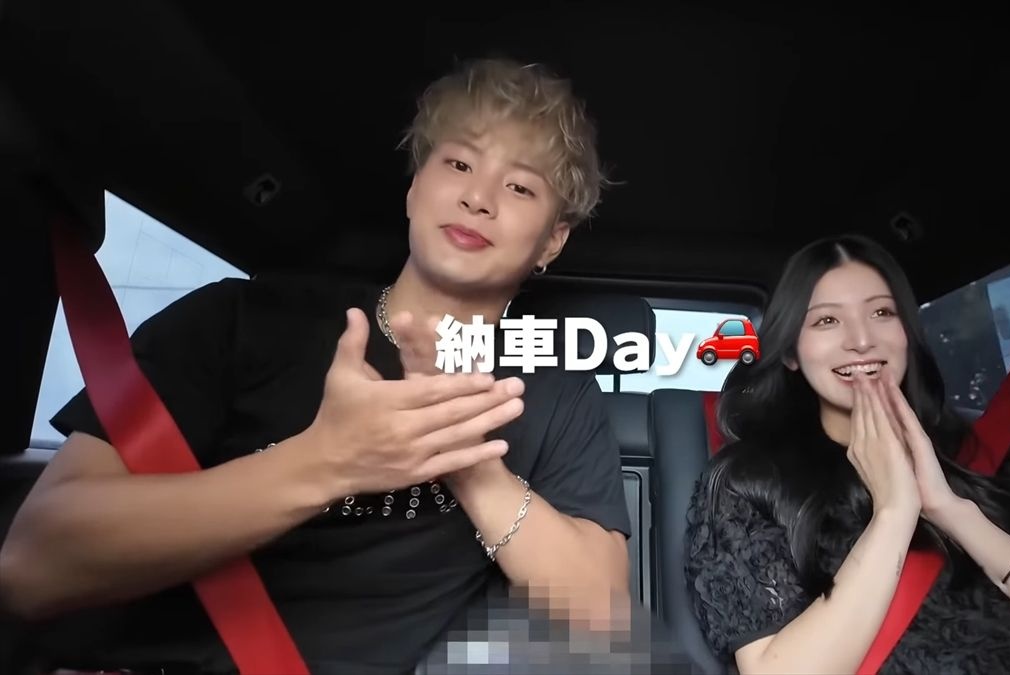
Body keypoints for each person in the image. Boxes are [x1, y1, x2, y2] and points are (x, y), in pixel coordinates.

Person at [0, 57, 632, 675]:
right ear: (415, 187)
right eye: (459, 163)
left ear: (553, 240)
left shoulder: (554, 392)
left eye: (520, 187)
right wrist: (328, 461)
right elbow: (32, 566)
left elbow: (601, 623)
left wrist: (469, 463)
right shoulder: (242, 318)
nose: (478, 197)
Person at [684, 234, 1010, 674]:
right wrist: (894, 514)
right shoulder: (751, 483)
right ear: (791, 352)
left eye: (882, 313)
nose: (862, 340)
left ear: (907, 334)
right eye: (828, 320)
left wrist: (954, 513)